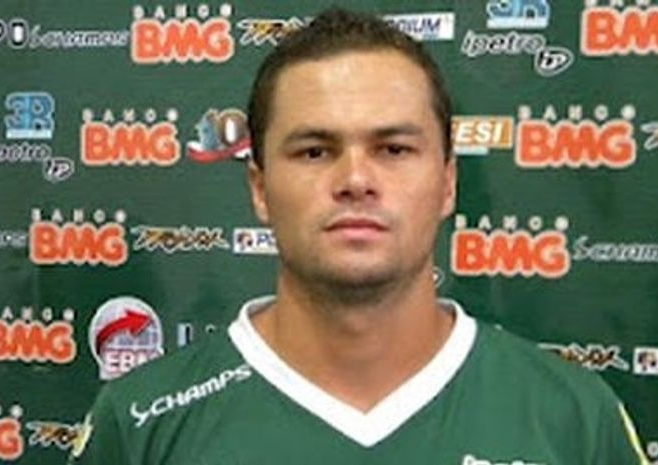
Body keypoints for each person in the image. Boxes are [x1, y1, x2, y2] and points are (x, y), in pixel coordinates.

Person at [69, 8, 648, 465]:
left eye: (393, 149)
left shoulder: (572, 418)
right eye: (314, 151)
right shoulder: (141, 423)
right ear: (260, 189)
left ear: (448, 183)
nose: (355, 180)